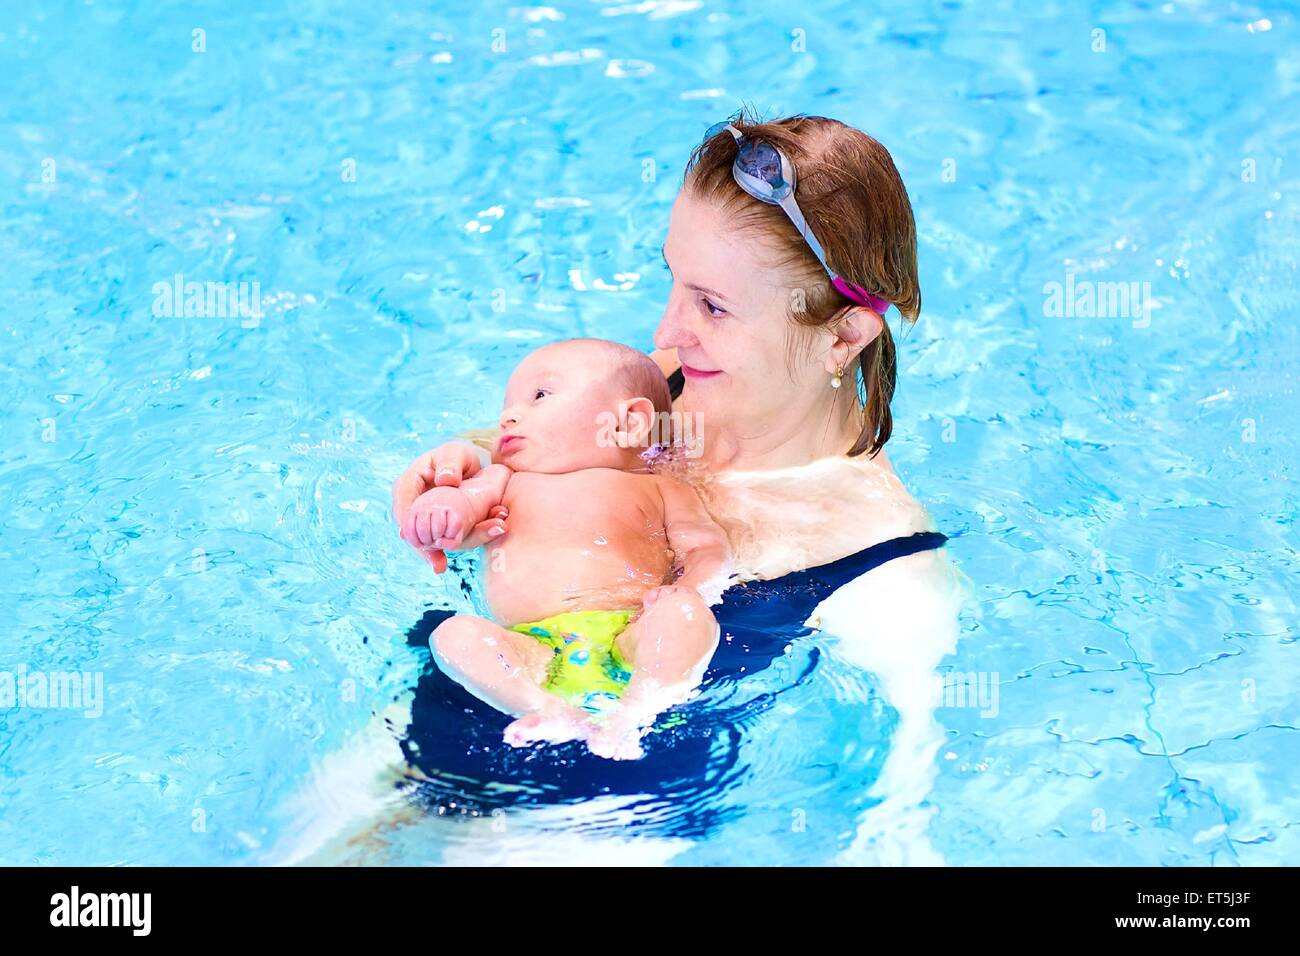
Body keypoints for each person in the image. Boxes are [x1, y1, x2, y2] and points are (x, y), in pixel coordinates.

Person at [400, 338, 728, 760]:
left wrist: (693, 589)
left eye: (539, 396)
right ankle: (547, 711)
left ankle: (641, 707)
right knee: (454, 635)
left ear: (629, 423)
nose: (508, 416)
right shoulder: (503, 479)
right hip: (531, 646)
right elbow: (458, 508)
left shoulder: (662, 489)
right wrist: (437, 510)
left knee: (685, 614)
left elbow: (707, 548)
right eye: (508, 404)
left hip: (634, 633)